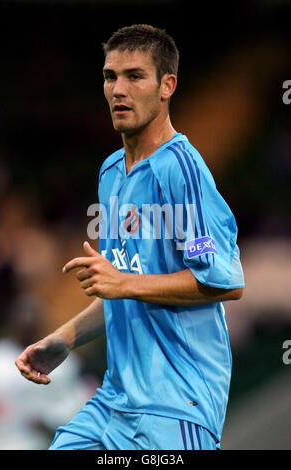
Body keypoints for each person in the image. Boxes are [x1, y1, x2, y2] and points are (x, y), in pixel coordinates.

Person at [15, 24, 245, 451]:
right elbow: (126, 284)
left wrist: (124, 283)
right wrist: (63, 339)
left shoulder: (182, 171)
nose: (118, 89)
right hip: (114, 401)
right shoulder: (111, 173)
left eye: (134, 76)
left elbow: (224, 281)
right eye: (110, 76)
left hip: (176, 406)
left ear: (166, 86)